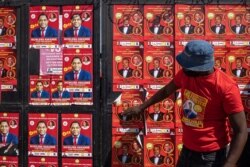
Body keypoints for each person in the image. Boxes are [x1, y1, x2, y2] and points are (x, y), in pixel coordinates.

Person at [122, 40, 247, 167]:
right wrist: (142, 106)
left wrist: (229, 163)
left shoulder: (226, 88)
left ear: (200, 68)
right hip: (187, 150)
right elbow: (166, 90)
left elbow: (241, 130)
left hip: (212, 156)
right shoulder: (185, 75)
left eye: (187, 65)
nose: (183, 67)